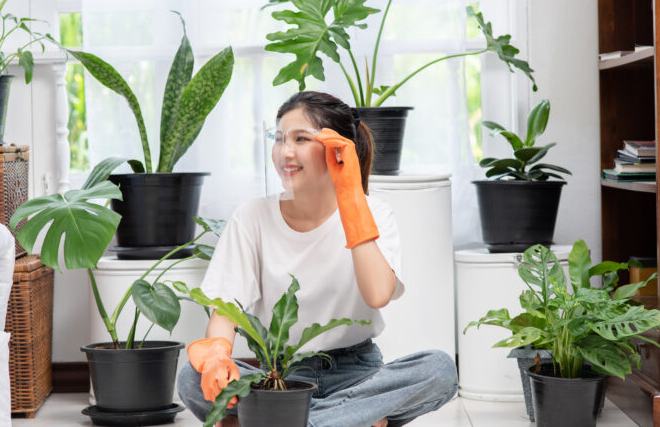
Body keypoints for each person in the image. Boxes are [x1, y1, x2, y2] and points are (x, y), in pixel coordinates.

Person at [177, 91, 457, 427]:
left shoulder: (374, 213)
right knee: (189, 378)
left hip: (357, 376)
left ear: (336, 149)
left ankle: (280, 422)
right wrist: (217, 355)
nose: (285, 152)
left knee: (439, 369)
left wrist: (352, 197)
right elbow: (225, 309)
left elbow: (378, 294)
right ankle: (351, 419)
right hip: (278, 379)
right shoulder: (251, 217)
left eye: (300, 139)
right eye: (279, 139)